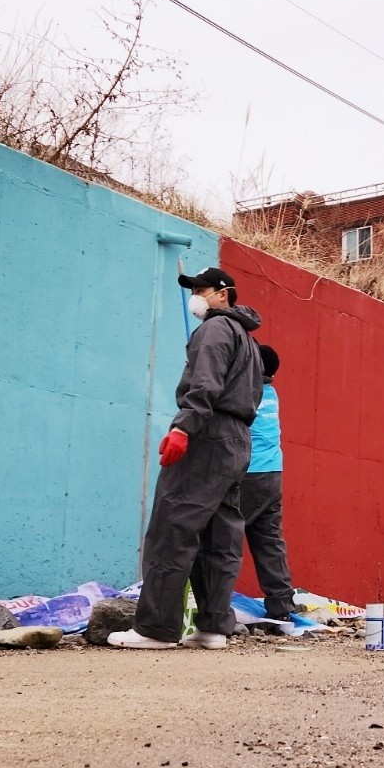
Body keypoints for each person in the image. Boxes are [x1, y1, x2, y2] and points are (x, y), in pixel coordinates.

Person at [109, 267, 264, 650]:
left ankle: (155, 629)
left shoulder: (214, 330)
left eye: (201, 289)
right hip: (237, 439)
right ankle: (213, 628)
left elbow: (205, 384)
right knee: (219, 536)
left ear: (224, 293)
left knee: (172, 526)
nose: (195, 295)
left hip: (207, 434)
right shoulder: (248, 340)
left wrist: (183, 427)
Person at [240, 345, 297, 623]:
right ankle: (282, 605)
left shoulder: (247, 394)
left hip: (248, 474)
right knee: (269, 541)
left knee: (220, 539)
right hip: (273, 475)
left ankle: (209, 606)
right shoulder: (272, 394)